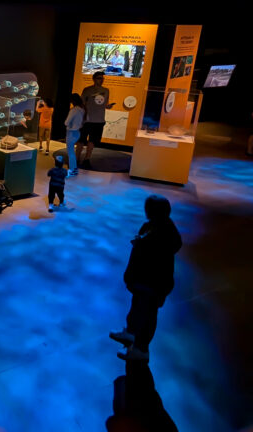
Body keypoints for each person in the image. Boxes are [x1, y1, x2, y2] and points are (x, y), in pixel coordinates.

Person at [110, 195, 182, 361]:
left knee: (147, 316)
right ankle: (130, 333)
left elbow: (155, 257)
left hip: (151, 283)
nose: (146, 211)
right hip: (142, 281)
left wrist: (141, 246)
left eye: (149, 208)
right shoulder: (153, 226)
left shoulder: (163, 233)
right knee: (137, 309)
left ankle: (141, 350)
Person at [79, 71, 116, 169]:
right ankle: (76, 158)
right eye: (99, 78)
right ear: (94, 79)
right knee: (81, 140)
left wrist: (108, 106)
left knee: (92, 140)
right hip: (87, 120)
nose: (102, 80)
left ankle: (87, 159)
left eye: (102, 78)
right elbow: (81, 104)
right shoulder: (87, 90)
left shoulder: (106, 90)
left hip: (99, 120)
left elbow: (104, 104)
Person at [64, 93, 85, 177]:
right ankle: (74, 169)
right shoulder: (82, 109)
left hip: (71, 133)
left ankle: (73, 170)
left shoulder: (74, 110)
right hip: (78, 132)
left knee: (71, 153)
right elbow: (87, 119)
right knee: (72, 152)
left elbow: (66, 122)